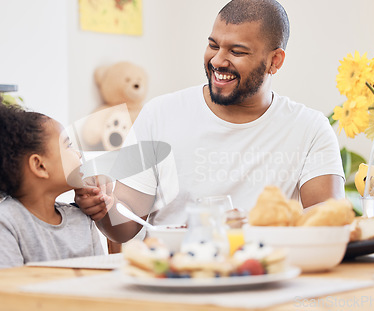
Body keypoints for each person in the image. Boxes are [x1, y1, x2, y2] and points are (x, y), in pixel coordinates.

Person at [76, 0, 345, 244]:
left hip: (265, 280)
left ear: (274, 61)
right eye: (213, 45)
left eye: (237, 51)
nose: (217, 60)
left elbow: (327, 226)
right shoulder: (159, 113)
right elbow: (126, 224)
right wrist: (104, 207)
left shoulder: (310, 128)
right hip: (174, 280)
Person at [0, 94, 105, 271]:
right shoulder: (5, 222)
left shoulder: (82, 219)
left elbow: (103, 281)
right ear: (40, 166)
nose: (78, 153)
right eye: (68, 145)